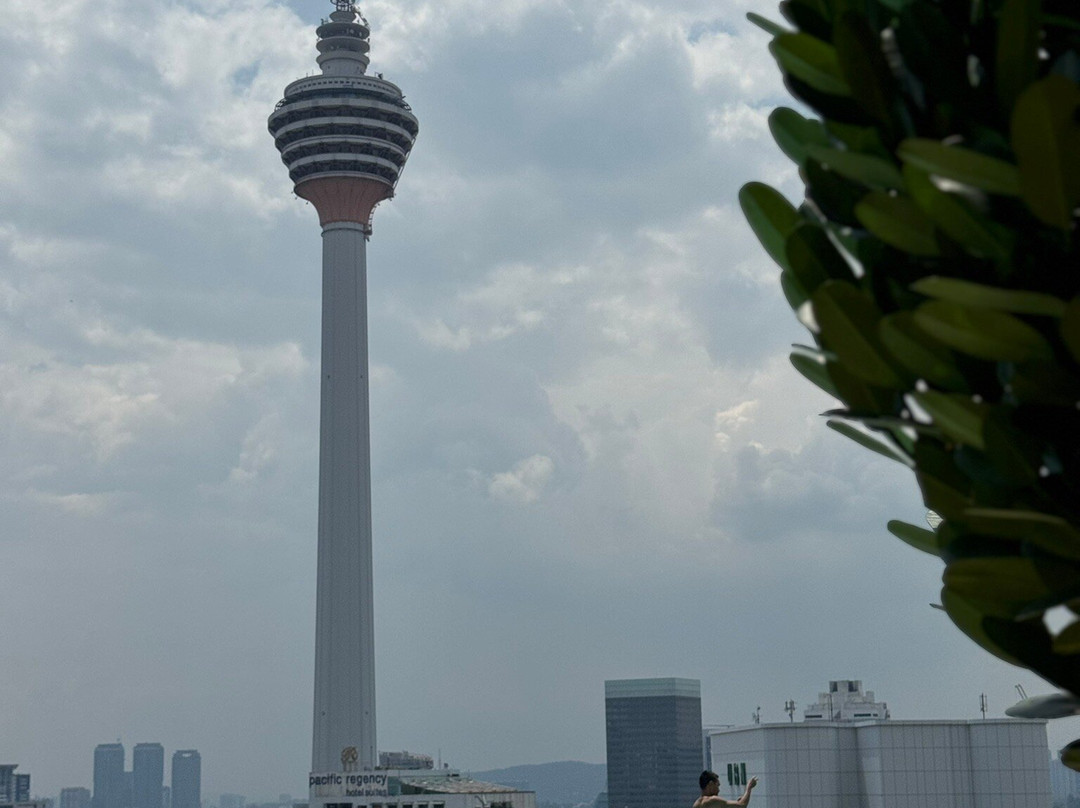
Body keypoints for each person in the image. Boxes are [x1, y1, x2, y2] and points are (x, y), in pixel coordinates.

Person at [693, 770, 758, 808]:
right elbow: (742, 805)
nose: (718, 790)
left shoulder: (696, 804)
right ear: (711, 784)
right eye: (717, 786)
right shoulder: (712, 800)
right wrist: (749, 787)